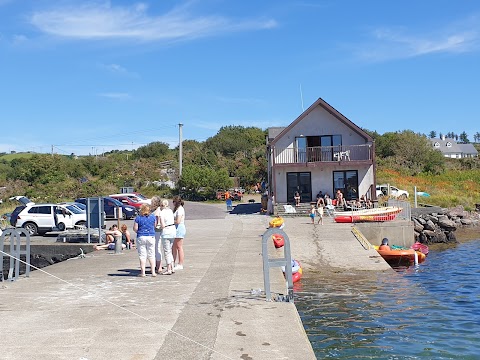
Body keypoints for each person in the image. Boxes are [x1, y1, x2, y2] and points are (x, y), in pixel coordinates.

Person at [133, 204, 157, 277]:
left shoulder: (138, 218)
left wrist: (139, 231)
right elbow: (155, 226)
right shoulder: (153, 217)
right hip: (151, 236)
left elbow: (135, 228)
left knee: (142, 255)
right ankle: (153, 272)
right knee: (151, 254)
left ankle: (143, 272)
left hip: (141, 236)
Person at [158, 199, 176, 275]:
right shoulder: (170, 211)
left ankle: (168, 268)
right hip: (173, 230)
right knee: (170, 250)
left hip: (166, 232)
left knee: (167, 251)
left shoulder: (162, 212)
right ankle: (172, 267)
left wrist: (158, 227)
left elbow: (162, 225)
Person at [172, 195, 186, 271]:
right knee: (173, 246)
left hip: (179, 228)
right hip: (175, 229)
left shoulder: (180, 209)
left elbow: (178, 221)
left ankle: (180, 263)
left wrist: (170, 221)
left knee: (179, 247)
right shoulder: (176, 209)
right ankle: (172, 262)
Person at [151, 195, 164, 273]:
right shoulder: (158, 210)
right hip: (157, 231)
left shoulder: (157, 211)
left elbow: (156, 223)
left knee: (156, 248)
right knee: (156, 248)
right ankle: (158, 266)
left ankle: (159, 267)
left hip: (156, 231)